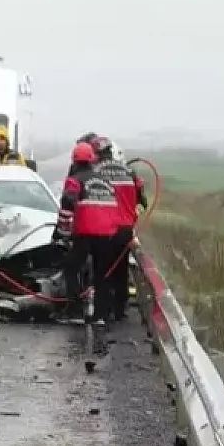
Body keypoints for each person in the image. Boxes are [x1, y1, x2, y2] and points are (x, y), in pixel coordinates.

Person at [53, 141, 123, 345]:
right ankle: (101, 315)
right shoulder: (104, 180)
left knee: (71, 267)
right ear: (92, 159)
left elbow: (68, 204)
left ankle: (74, 310)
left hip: (85, 232)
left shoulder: (74, 180)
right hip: (108, 233)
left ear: (74, 160)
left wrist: (61, 232)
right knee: (102, 274)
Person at [92, 136, 148, 321]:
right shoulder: (129, 172)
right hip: (125, 230)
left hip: (104, 229)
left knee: (102, 270)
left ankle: (103, 312)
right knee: (121, 269)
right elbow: (142, 201)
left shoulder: (95, 172)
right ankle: (120, 310)